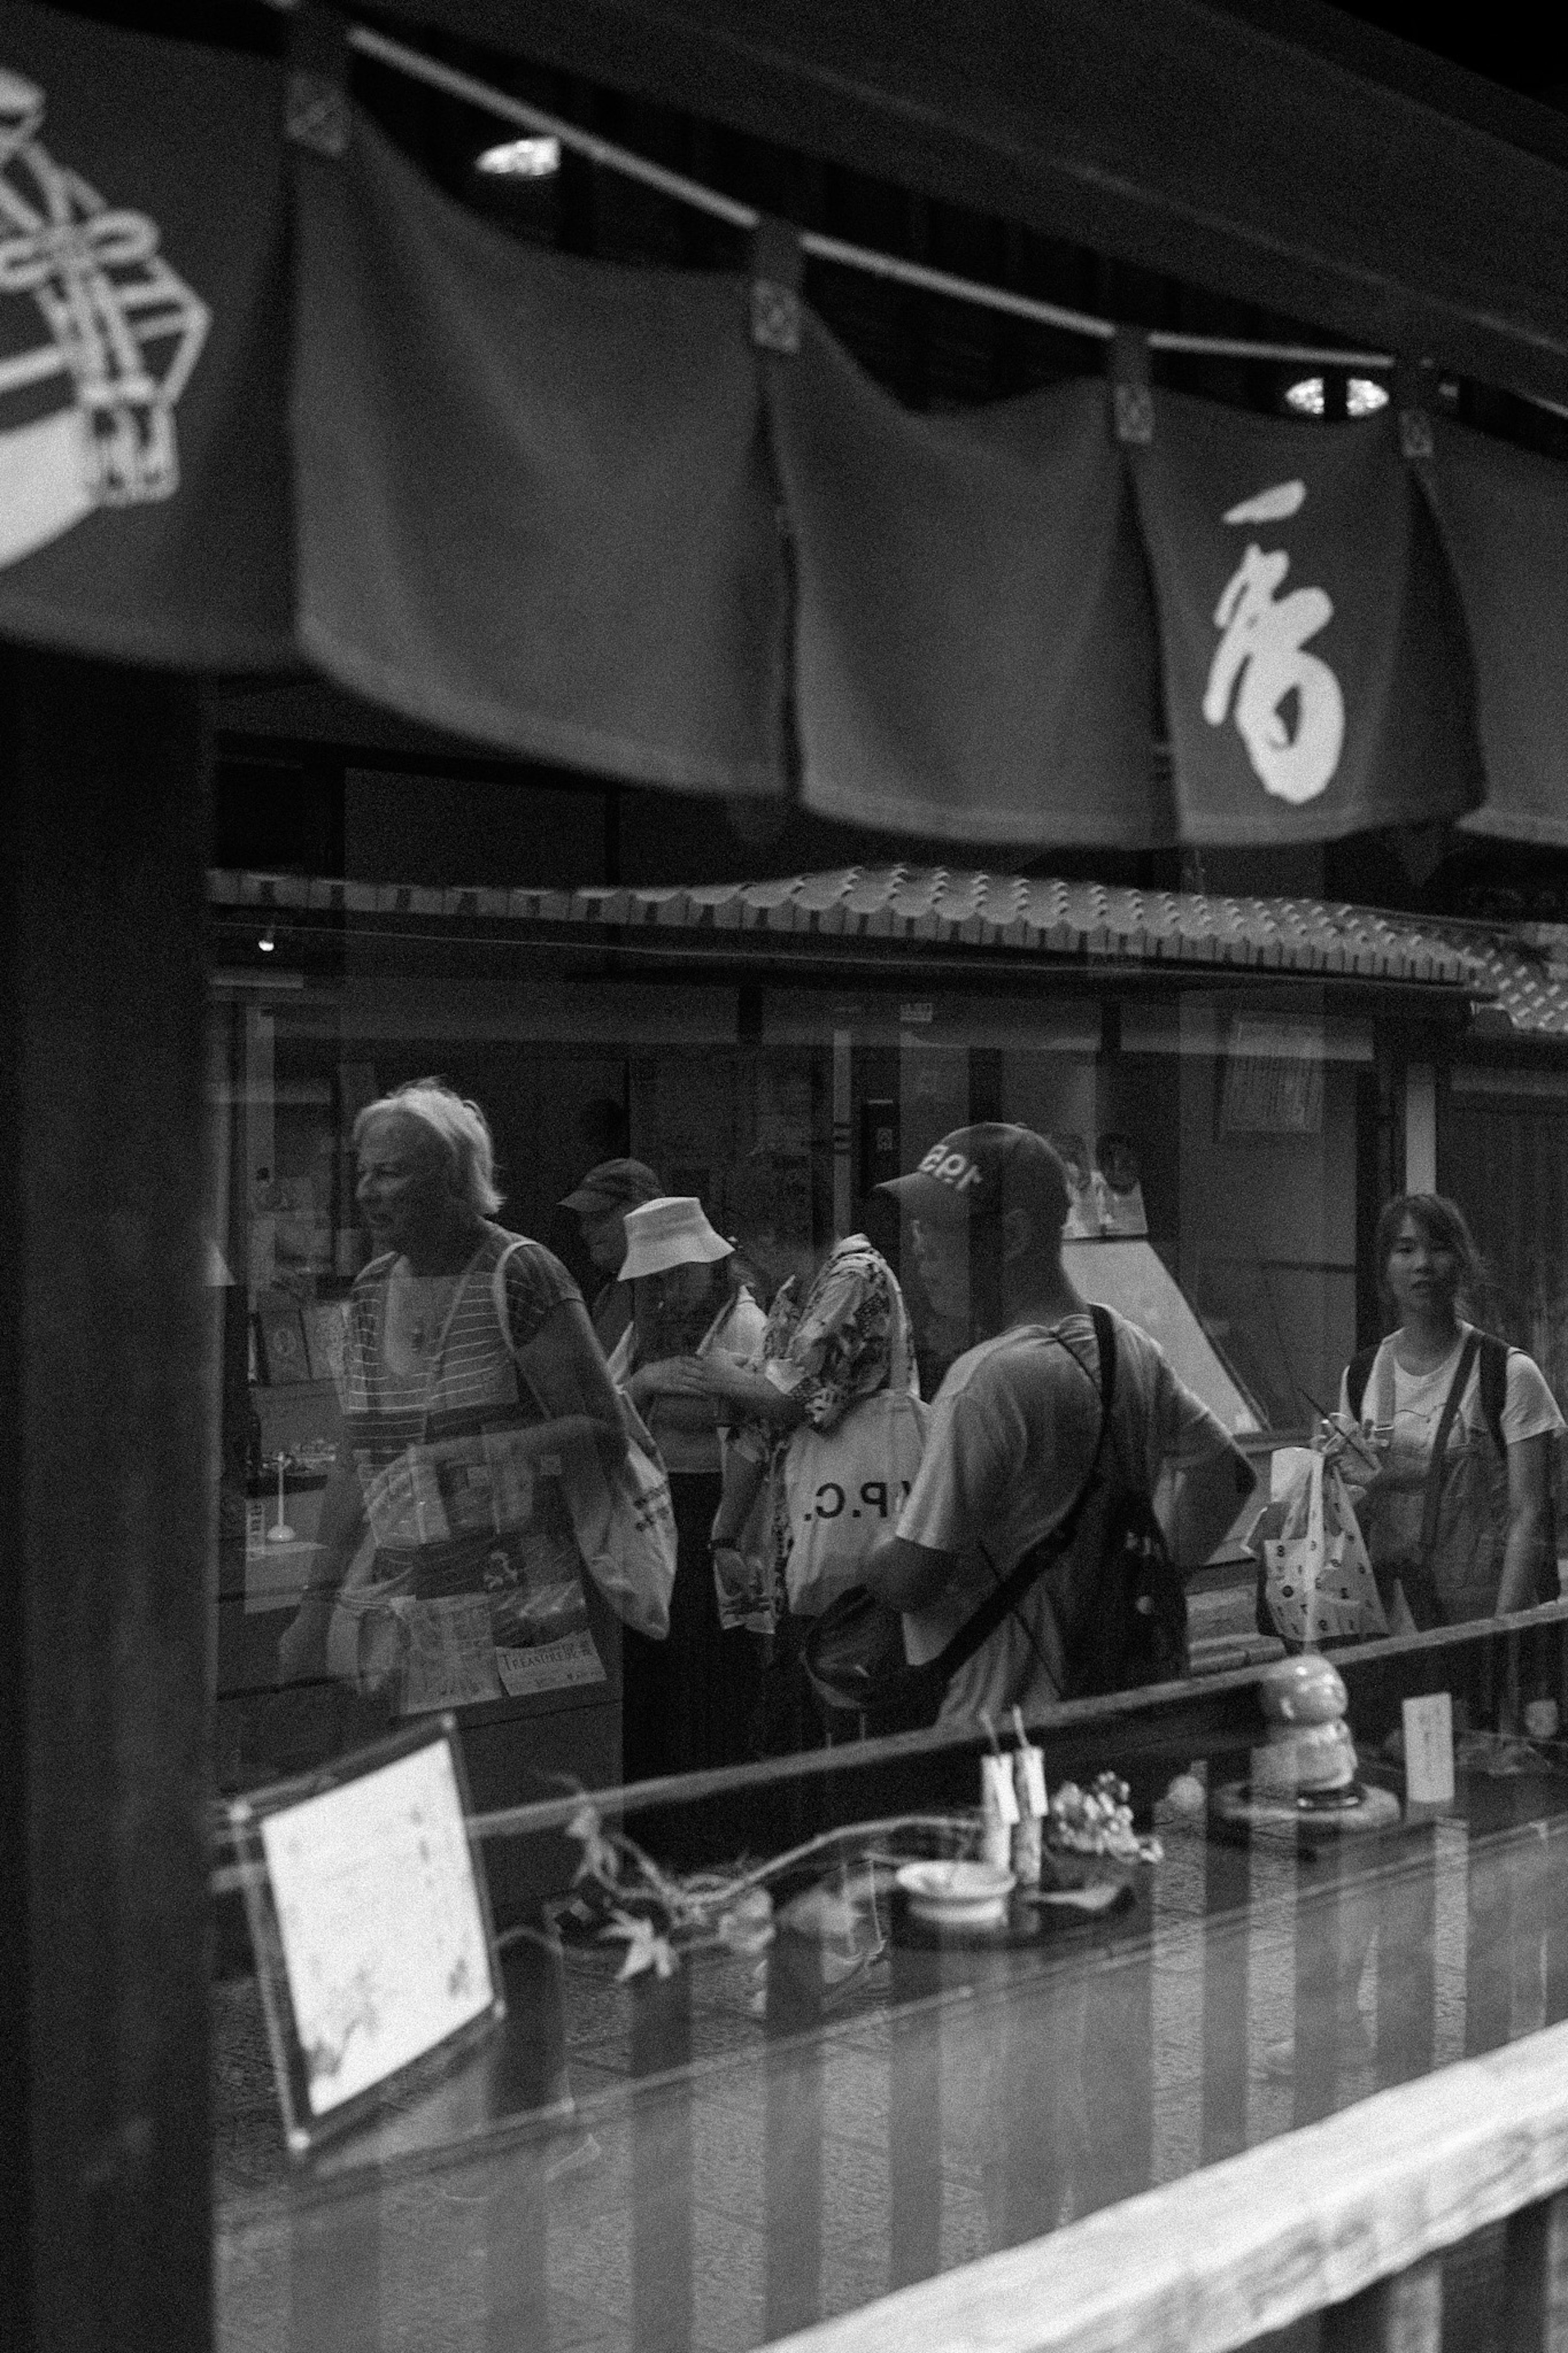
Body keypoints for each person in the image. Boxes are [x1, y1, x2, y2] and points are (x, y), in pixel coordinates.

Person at [860, 1123, 1255, 1729]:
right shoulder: (1128, 1346)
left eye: (941, 1225)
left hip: (1000, 1738)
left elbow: (913, 1579)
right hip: (1116, 1715)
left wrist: (873, 1549)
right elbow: (1225, 1476)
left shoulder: (987, 1382)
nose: (919, 1245)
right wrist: (1147, 1579)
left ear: (1014, 1235)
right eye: (917, 1224)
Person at [276, 1080, 628, 1724]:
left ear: (450, 1177)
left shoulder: (522, 1273)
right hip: (395, 1618)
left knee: (512, 1800)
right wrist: (314, 1606)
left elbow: (604, 1431)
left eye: (389, 1173)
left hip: (519, 1617)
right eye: (365, 1173)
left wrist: (467, 1455)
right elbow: (356, 1460)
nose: (367, 1192)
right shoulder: (373, 1288)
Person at [703, 1153, 920, 1752]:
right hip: (799, 1544)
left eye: (743, 1239)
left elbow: (787, 1397)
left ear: (771, 1233)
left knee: (846, 1720)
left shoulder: (856, 1276)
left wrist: (705, 1372)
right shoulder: (794, 1294)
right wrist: (725, 1537)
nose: (741, 1258)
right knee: (789, 1724)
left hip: (858, 1547)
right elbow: (759, 1422)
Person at [1331, 1193, 1563, 1627]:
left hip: (1484, 1619)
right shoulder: (1361, 1374)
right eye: (1405, 1249)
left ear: (1464, 1262)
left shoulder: (1508, 1373)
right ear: (1384, 1268)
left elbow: (1528, 1514)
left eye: (1438, 1247)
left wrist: (1499, 1633)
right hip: (1392, 1625)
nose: (1422, 1263)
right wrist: (1331, 1478)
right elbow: (1354, 1512)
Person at [606, 1195, 767, 1782]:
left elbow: (765, 1432)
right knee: (658, 1663)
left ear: (712, 1264)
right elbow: (604, 1405)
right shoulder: (645, 1328)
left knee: (714, 1668)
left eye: (680, 1273)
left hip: (720, 1514)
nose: (668, 1289)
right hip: (655, 1512)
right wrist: (644, 1384)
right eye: (656, 1278)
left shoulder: (746, 1326)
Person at [560, 1157, 664, 1353]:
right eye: (584, 1220)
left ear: (643, 1211)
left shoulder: (681, 1293)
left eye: (599, 1216)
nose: (585, 1231)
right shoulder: (609, 1297)